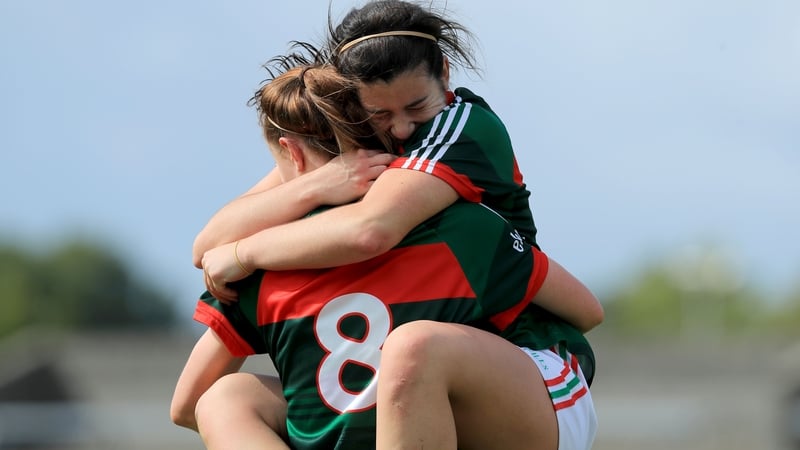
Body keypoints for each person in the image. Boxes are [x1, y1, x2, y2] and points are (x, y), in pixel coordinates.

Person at [189, 1, 601, 448]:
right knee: (227, 399)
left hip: (515, 363)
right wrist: (316, 186)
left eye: (416, 106)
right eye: (380, 114)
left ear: (444, 74)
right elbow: (207, 246)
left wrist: (244, 254)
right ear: (351, 104)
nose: (402, 129)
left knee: (412, 348)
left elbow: (370, 230)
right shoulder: (348, 156)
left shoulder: (462, 127)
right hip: (416, 385)